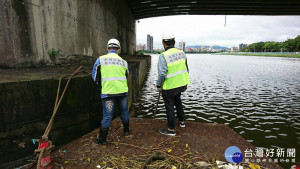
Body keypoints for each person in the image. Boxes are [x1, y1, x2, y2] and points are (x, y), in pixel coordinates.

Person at [92, 38, 130, 145]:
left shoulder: (101, 60)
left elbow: (95, 76)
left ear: (108, 48)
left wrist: (103, 85)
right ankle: (126, 131)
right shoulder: (124, 62)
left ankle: (102, 140)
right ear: (118, 49)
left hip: (108, 93)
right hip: (123, 92)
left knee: (108, 116)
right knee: (124, 112)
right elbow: (126, 76)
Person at [156, 34, 190, 136]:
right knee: (178, 100)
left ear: (163, 43)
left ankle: (171, 129)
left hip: (170, 86)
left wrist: (158, 85)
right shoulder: (182, 53)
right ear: (174, 42)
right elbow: (186, 69)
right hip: (181, 84)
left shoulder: (163, 56)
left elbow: (162, 73)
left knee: (169, 105)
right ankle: (181, 121)